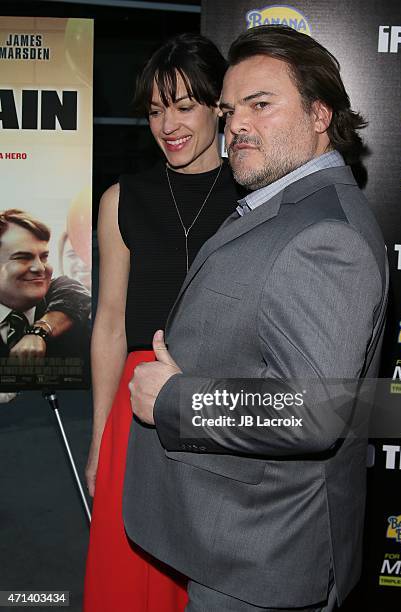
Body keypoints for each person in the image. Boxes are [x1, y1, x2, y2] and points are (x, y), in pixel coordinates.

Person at [125, 25, 389, 612]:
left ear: (320, 114)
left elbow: (311, 409)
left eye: (260, 105)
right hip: (236, 542)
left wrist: (174, 399)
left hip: (263, 557)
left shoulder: (325, 234)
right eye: (229, 108)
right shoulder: (281, 205)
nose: (236, 123)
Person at [83, 33, 244, 612]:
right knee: (128, 578)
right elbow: (108, 324)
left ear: (216, 107)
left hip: (219, 403)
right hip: (137, 407)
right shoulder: (121, 199)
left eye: (183, 106)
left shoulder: (254, 194)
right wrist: (101, 437)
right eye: (156, 110)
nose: (168, 125)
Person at [0, 209, 90, 361]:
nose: (40, 268)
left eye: (44, 257)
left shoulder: (67, 296)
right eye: (23, 257)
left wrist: (38, 332)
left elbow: (75, 293)